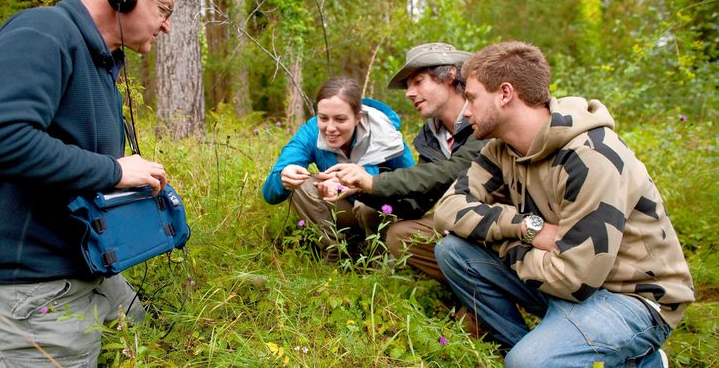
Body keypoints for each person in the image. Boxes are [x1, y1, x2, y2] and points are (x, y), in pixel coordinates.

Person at [0, 0, 175, 366]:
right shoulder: (42, 33)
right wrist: (112, 171)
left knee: (142, 331)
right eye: (164, 9)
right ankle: (14, 337)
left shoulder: (96, 58)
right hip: (36, 275)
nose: (166, 26)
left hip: (85, 259)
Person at [433, 40, 695, 366]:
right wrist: (525, 227)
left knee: (528, 363)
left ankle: (639, 358)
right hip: (559, 274)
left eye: (471, 98)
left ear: (505, 93)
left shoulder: (591, 155)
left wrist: (509, 244)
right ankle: (541, 350)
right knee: (453, 252)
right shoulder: (502, 150)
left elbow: (575, 280)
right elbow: (446, 209)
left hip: (631, 297)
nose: (465, 111)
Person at [322, 43, 486, 282]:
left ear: (451, 75)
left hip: (505, 222)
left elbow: (455, 170)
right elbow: (416, 203)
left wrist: (373, 180)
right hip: (463, 221)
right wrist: (360, 190)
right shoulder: (432, 136)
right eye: (408, 86)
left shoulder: (483, 118)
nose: (409, 93)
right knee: (401, 234)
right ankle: (466, 289)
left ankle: (485, 295)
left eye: (418, 82)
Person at [262, 78, 415, 261]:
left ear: (358, 117)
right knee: (299, 184)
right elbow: (269, 194)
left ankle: (380, 258)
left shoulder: (385, 134)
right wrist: (283, 178)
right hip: (342, 210)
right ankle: (335, 251)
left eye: (340, 119)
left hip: (379, 214)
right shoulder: (311, 132)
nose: (330, 128)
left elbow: (413, 186)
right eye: (323, 118)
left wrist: (366, 183)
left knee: (368, 203)